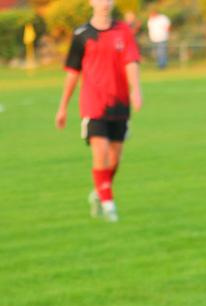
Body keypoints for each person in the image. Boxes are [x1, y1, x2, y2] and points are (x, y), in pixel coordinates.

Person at [55, 0, 142, 223]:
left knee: (115, 158)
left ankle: (99, 191)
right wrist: (63, 106)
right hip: (93, 104)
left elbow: (131, 61)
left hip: (120, 103)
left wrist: (136, 90)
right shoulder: (82, 34)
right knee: (100, 151)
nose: (103, 3)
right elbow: (72, 72)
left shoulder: (123, 30)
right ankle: (109, 205)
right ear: (91, 2)